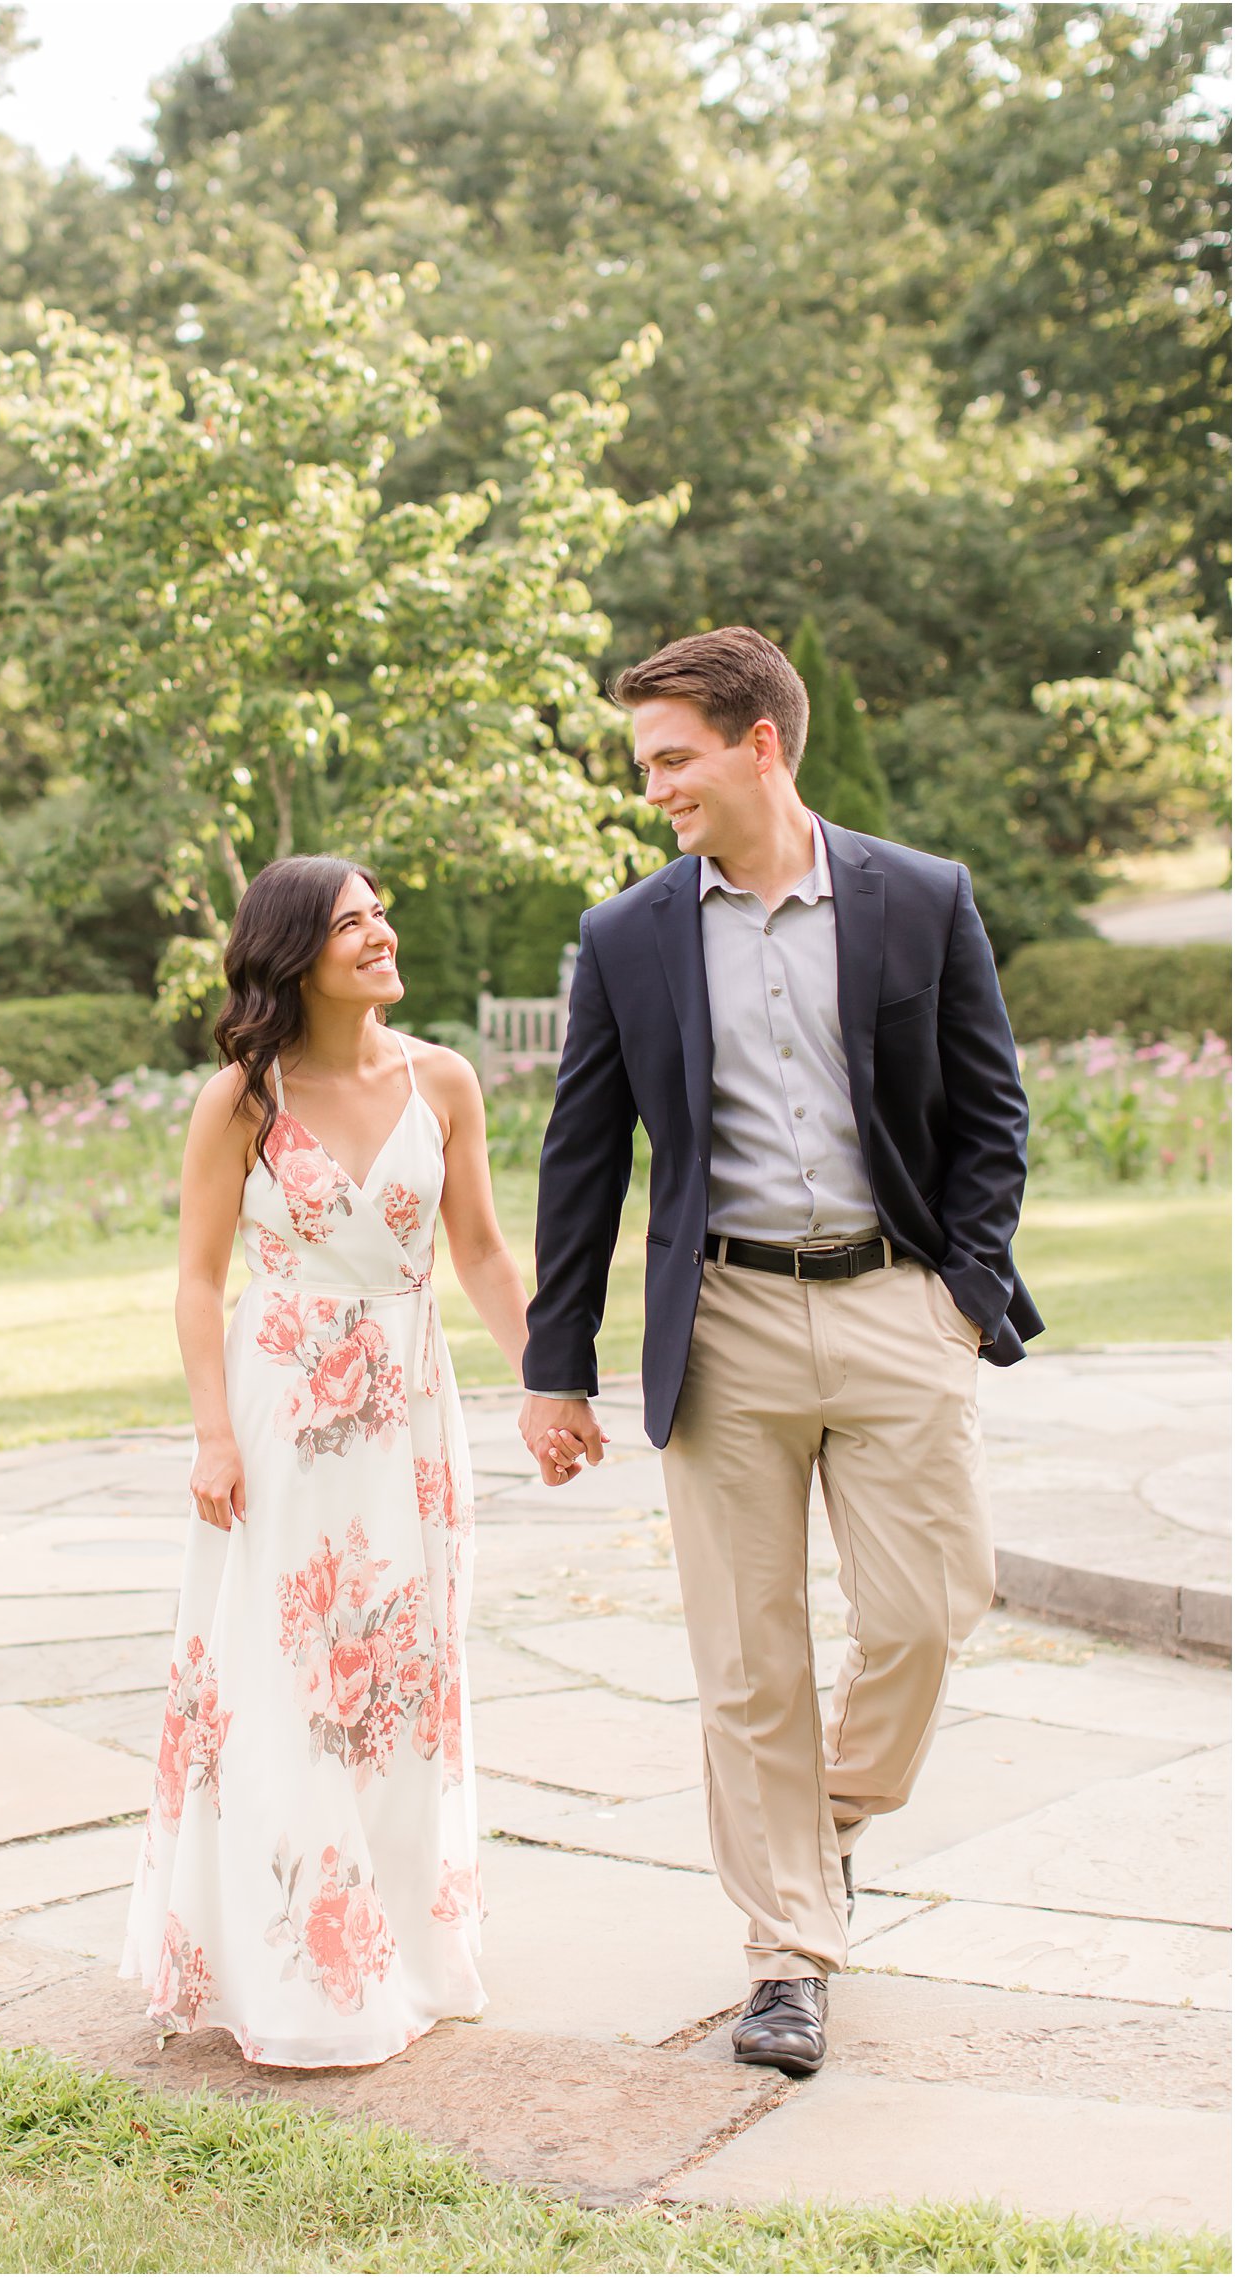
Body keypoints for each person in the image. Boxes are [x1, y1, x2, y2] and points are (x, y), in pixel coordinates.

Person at [518, 626, 1041, 2078]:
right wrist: (555, 1365)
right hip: (725, 1324)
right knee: (748, 1663)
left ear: (762, 742)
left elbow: (993, 1113)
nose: (655, 788)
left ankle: (818, 1824)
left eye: (673, 757)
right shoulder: (628, 935)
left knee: (935, 1605)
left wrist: (964, 1288)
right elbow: (583, 1160)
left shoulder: (919, 898)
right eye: (646, 765)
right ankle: (788, 1954)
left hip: (896, 1302)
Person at [122, 855, 535, 2066]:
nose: (381, 935)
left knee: (402, 1676)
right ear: (296, 951)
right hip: (279, 1411)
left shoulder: (443, 1082)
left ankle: (404, 1949)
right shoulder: (241, 1099)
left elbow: (484, 1257)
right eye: (352, 922)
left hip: (408, 1413)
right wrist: (211, 1432)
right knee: (288, 1676)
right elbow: (199, 1281)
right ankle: (300, 1970)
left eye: (380, 915)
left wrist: (544, 1384)